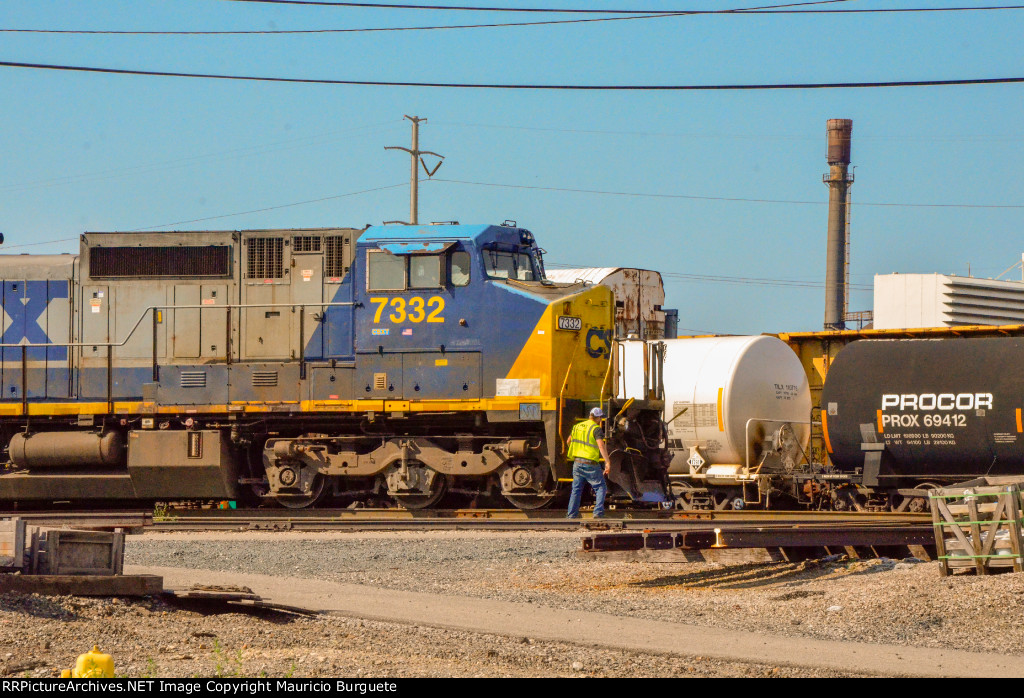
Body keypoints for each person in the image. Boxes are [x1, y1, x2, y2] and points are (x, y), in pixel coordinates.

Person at [566, 406, 612, 519]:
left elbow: (568, 441)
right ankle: (598, 513)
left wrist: (578, 450)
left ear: (589, 416)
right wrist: (607, 462)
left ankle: (571, 515)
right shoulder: (596, 429)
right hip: (590, 463)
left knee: (576, 490)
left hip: (577, 462)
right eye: (600, 418)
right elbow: (601, 445)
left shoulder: (577, 426)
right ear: (598, 418)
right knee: (600, 487)